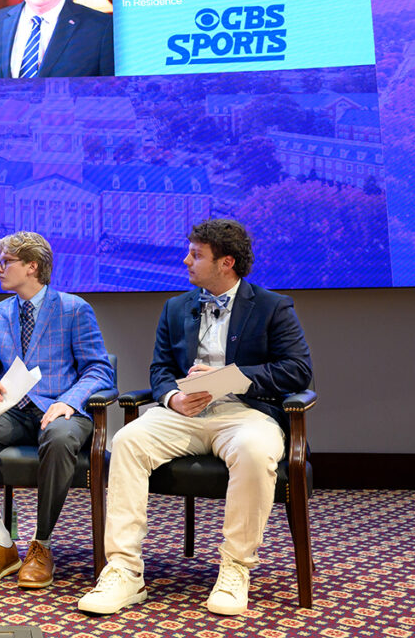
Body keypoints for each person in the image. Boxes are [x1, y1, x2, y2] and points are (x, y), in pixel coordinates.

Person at [78, 219, 312, 617]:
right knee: (127, 441)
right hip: (184, 415)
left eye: (196, 254)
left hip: (247, 413)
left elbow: (297, 371)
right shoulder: (176, 307)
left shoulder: (273, 306)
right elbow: (160, 369)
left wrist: (228, 381)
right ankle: (124, 571)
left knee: (255, 452)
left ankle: (235, 569)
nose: (186, 260)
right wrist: (170, 397)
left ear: (227, 262)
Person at [0, 231, 114, 589]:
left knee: (61, 438)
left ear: (32, 266)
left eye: (6, 262)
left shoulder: (74, 308)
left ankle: (41, 545)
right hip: (12, 413)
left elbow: (99, 369)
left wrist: (69, 401)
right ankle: (1, 542)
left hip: (60, 411)